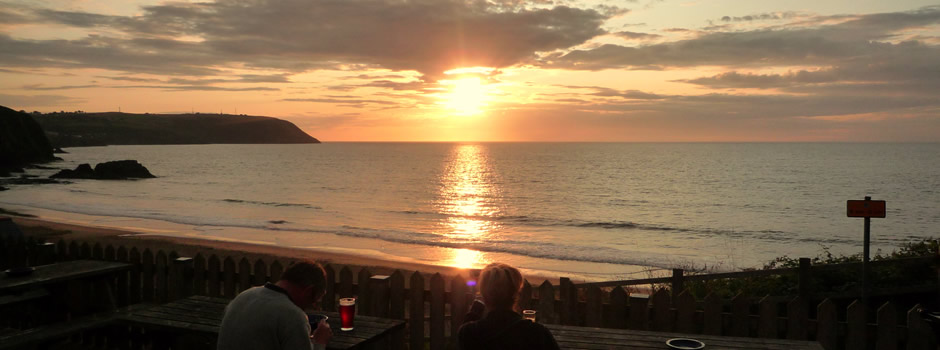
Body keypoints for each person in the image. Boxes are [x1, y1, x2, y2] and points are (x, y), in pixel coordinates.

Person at [218, 261, 333, 350]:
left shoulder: (244, 296)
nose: (311, 306)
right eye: (314, 301)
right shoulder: (292, 315)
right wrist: (319, 342)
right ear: (308, 291)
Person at [457, 263, 560, 350]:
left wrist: (475, 310)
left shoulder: (469, 333)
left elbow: (464, 335)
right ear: (516, 294)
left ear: (484, 296)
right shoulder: (537, 333)